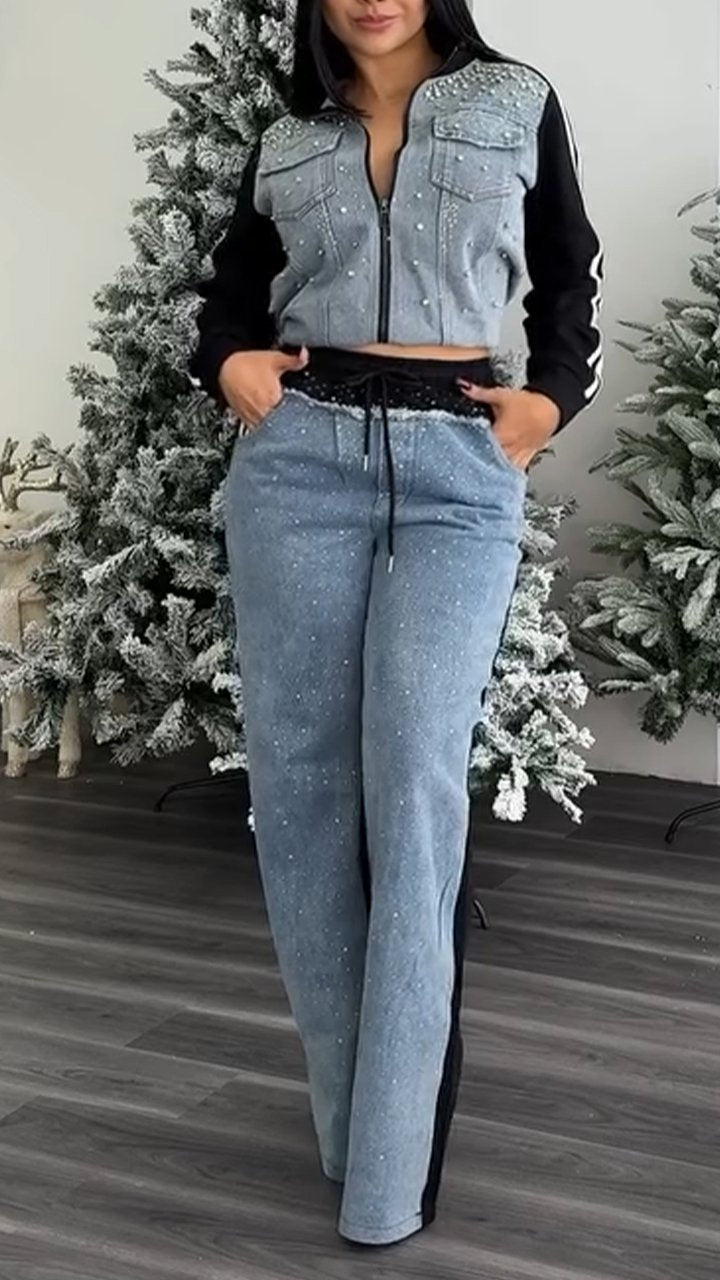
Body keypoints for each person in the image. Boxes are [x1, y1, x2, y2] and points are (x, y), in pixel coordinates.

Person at [188, 0, 604, 1250]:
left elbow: (570, 269)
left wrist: (550, 397)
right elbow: (229, 295)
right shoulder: (288, 134)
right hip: (300, 462)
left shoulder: (515, 101)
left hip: (456, 463)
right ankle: (349, 1123)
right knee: (303, 795)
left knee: (414, 786)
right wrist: (230, 361)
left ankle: (390, 1166)